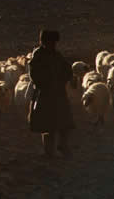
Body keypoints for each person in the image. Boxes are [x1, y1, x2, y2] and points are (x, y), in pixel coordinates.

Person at [28, 29, 74, 157]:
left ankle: (62, 145)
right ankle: (49, 151)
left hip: (58, 93)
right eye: (51, 42)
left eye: (54, 42)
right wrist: (46, 83)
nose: (53, 45)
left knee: (64, 123)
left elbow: (67, 70)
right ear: (44, 42)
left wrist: (62, 80)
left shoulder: (56, 55)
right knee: (48, 125)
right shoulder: (38, 56)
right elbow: (34, 75)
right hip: (45, 95)